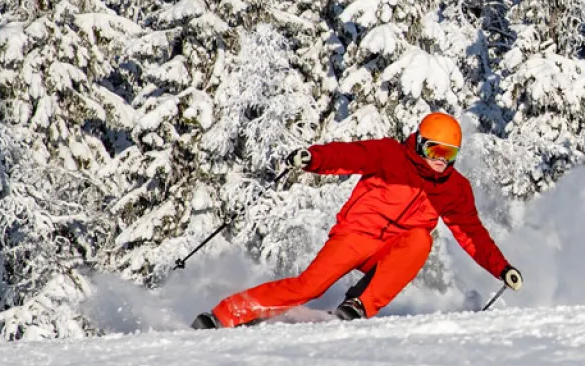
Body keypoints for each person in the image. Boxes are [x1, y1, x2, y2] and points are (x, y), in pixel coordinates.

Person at [191, 113, 522, 329]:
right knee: (308, 287)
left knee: (421, 238)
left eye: (448, 154)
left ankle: (360, 304)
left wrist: (501, 268)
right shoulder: (390, 155)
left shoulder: (454, 188)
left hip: (391, 250)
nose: (440, 161)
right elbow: (348, 155)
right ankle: (224, 314)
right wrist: (313, 158)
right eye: (435, 150)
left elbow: (471, 233)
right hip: (356, 236)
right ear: (420, 144)